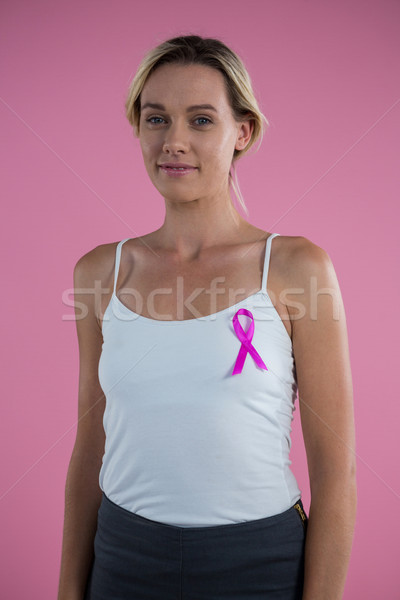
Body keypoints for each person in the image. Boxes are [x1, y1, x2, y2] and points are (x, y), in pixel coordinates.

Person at [57, 35, 357, 600]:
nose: (173, 142)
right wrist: (69, 591)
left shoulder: (295, 266)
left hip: (261, 563)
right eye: (156, 119)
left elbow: (336, 474)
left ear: (241, 132)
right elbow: (89, 449)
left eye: (200, 120)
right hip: (123, 560)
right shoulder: (101, 271)